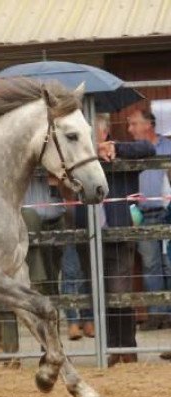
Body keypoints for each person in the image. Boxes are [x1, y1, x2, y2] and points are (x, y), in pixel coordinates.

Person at [75, 113, 156, 366]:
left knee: (120, 292)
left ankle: (127, 348)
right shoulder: (76, 154)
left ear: (103, 133)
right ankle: (110, 348)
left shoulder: (120, 149)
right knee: (99, 293)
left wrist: (115, 148)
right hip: (88, 233)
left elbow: (148, 148)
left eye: (91, 132)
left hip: (118, 231)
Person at [127, 109, 171, 332]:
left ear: (149, 125)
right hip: (144, 215)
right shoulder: (133, 151)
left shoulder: (167, 147)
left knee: (168, 264)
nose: (130, 129)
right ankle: (156, 314)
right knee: (151, 265)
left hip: (168, 213)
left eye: (134, 123)